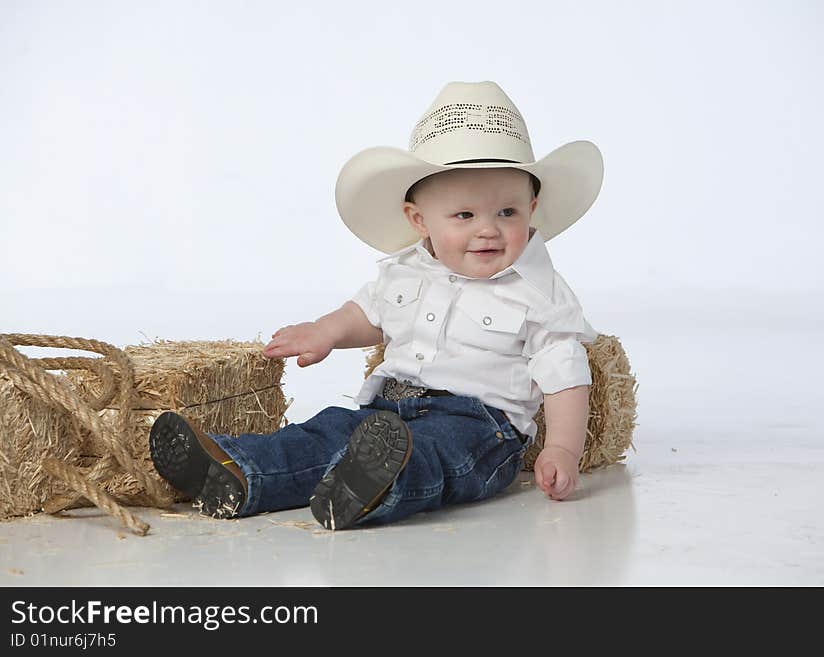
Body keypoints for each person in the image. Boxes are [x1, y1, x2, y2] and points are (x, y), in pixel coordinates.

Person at [149, 80, 604, 530]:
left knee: (436, 454)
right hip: (385, 414)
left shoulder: (541, 293)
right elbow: (369, 314)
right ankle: (238, 472)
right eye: (465, 215)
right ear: (419, 220)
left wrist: (562, 449)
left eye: (507, 213)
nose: (488, 229)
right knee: (328, 431)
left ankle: (370, 489)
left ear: (532, 207)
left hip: (481, 426)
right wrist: (325, 331)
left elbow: (564, 373)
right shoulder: (406, 270)